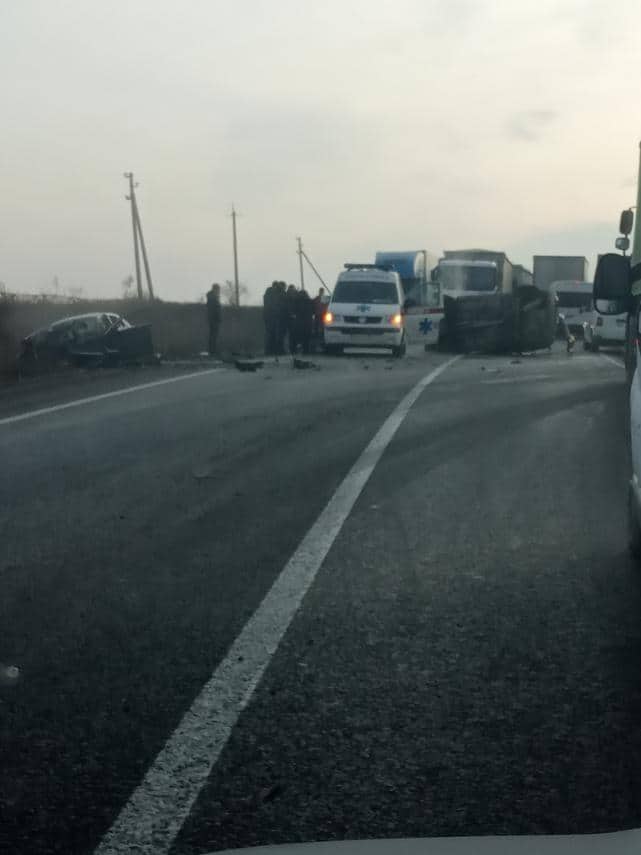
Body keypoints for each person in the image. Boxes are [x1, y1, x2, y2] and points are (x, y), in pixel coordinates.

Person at [296, 288, 315, 354]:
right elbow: (313, 311)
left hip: (300, 322)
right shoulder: (310, 301)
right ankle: (306, 350)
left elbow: (296, 311)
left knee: (302, 337)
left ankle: (303, 349)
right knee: (307, 337)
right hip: (308, 321)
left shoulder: (297, 302)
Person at [263, 281, 278, 355]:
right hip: (272, 316)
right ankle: (271, 350)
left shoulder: (267, 293)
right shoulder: (273, 294)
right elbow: (273, 305)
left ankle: (268, 350)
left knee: (269, 334)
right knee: (272, 334)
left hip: (267, 316)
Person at [206, 283, 222, 355]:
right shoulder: (213, 297)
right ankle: (212, 351)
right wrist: (218, 317)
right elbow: (215, 309)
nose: (219, 291)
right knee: (213, 335)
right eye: (218, 289)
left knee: (213, 335)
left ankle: (212, 350)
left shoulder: (211, 297)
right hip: (214, 319)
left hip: (213, 319)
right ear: (215, 289)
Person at [286, 285, 299, 353]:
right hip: (293, 318)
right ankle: (293, 349)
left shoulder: (286, 296)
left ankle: (292, 348)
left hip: (290, 318)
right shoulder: (295, 296)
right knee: (293, 334)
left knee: (292, 335)